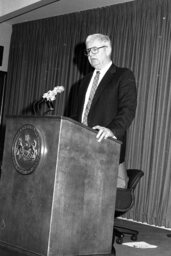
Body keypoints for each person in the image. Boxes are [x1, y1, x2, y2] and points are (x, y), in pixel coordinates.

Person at [68, 33, 137, 188]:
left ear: (108, 49)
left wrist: (111, 130)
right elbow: (75, 115)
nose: (90, 55)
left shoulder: (123, 75)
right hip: (80, 149)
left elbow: (128, 109)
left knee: (108, 201)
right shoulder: (83, 82)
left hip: (106, 146)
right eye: (88, 51)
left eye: (95, 50)